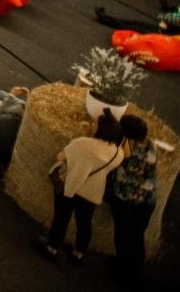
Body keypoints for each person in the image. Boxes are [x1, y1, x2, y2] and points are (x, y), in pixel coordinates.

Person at [34, 111, 125, 264]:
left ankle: (52, 248)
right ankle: (78, 254)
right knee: (84, 223)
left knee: (61, 218)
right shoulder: (118, 153)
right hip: (92, 191)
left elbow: (60, 156)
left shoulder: (82, 143)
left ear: (101, 129)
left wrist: (86, 135)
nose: (92, 124)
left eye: (95, 123)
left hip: (71, 186)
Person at [108, 114, 157, 285]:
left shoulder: (126, 149)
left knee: (122, 235)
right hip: (147, 201)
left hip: (125, 199)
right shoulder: (151, 145)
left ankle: (122, 272)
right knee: (137, 236)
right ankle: (134, 271)